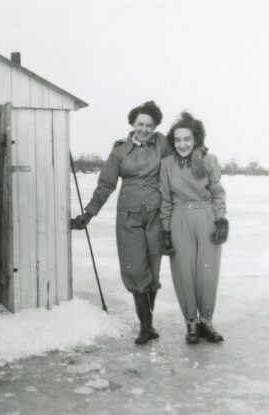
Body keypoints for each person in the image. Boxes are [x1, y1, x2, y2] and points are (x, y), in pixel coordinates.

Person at [72, 101, 207, 345]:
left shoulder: (162, 144)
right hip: (129, 218)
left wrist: (198, 153)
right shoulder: (120, 152)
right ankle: (145, 326)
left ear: (155, 127)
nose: (144, 129)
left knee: (152, 272)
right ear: (132, 124)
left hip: (156, 216)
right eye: (140, 124)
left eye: (149, 125)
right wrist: (89, 213)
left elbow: (182, 150)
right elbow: (106, 185)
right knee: (136, 271)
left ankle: (149, 322)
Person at [159, 111, 228, 344]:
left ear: (196, 138)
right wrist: (166, 231)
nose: (182, 144)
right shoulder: (167, 164)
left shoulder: (209, 160)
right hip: (180, 218)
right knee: (184, 272)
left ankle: (206, 321)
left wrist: (221, 219)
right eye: (177, 140)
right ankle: (191, 323)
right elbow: (166, 200)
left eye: (187, 139)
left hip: (206, 217)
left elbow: (217, 192)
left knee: (207, 273)